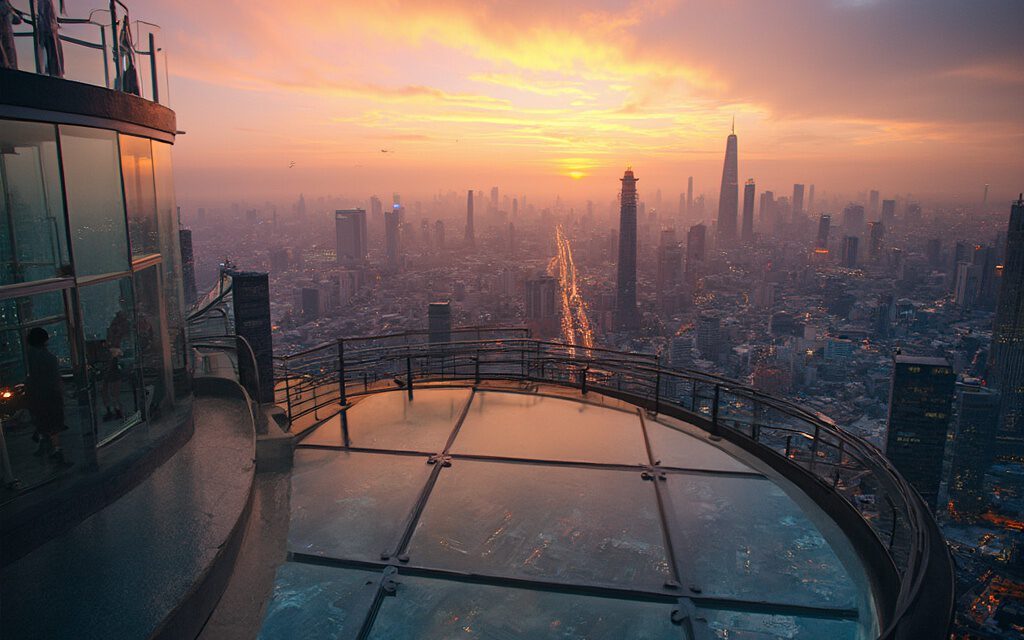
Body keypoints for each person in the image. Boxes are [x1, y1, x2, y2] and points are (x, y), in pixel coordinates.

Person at [25, 327, 69, 465]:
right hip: (51, 395)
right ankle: (56, 449)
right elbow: (56, 379)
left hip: (37, 395)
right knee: (53, 424)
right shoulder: (49, 358)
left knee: (44, 420)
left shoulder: (29, 357)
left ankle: (43, 440)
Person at [36, 0, 63, 78]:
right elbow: (44, 15)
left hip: (49, 31)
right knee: (51, 54)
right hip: (48, 32)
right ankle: (53, 74)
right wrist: (51, 28)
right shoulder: (45, 2)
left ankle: (53, 73)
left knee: (53, 53)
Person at [0, 0, 20, 71]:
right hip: (5, 38)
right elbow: (17, 20)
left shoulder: (5, 4)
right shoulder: (4, 4)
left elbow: (17, 20)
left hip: (7, 38)